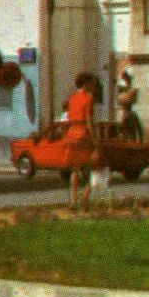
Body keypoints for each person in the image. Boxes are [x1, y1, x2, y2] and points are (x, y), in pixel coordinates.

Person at [65, 72, 99, 205]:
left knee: (75, 170)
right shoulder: (88, 98)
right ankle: (84, 200)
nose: (93, 86)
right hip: (84, 135)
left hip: (72, 135)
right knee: (92, 168)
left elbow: (69, 118)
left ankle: (73, 200)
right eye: (92, 83)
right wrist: (96, 142)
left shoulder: (72, 98)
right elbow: (89, 122)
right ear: (86, 83)